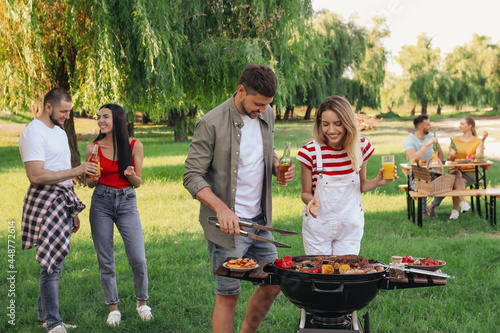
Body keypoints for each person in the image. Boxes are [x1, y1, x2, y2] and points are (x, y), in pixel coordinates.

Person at [183, 64, 295, 333]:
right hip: (228, 226)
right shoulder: (211, 123)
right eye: (257, 104)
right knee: (228, 294)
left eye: (267, 105)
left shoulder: (266, 114)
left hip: (259, 222)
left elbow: (266, 154)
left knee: (273, 283)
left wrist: (276, 167)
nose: (261, 110)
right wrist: (221, 209)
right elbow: (191, 176)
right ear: (241, 90)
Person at [19, 87, 98, 333]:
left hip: (62, 200)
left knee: (55, 262)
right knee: (52, 265)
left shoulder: (60, 132)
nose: (67, 116)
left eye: (69, 111)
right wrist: (77, 171)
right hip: (46, 200)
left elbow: (60, 172)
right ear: (49, 107)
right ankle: (53, 323)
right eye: (63, 111)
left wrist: (72, 211)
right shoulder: (33, 133)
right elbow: (35, 175)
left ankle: (45, 317)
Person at [297, 95, 396, 256]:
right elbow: (305, 193)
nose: (331, 130)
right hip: (318, 226)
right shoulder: (309, 152)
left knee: (347, 275)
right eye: (325, 124)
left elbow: (360, 184)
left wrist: (377, 182)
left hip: (350, 225)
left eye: (338, 124)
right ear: (319, 123)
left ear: (348, 123)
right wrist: (311, 200)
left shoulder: (361, 146)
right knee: (322, 276)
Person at [85, 104, 152, 326]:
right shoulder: (92, 148)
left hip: (126, 202)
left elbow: (138, 183)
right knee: (106, 259)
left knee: (138, 258)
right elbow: (89, 183)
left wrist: (131, 174)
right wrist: (92, 177)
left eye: (105, 116)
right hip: (101, 203)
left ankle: (142, 303)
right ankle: (113, 308)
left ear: (117, 119)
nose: (100, 120)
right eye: (99, 117)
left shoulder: (135, 145)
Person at [403, 115, 445, 218]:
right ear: (421, 128)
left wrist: (440, 170)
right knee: (423, 182)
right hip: (414, 174)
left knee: (445, 182)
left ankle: (432, 206)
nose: (430, 126)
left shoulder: (430, 136)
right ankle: (423, 212)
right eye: (428, 124)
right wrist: (426, 145)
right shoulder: (409, 140)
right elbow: (412, 159)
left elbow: (441, 154)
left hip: (430, 172)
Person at [447, 116, 488, 220]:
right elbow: (449, 158)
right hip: (455, 169)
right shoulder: (455, 140)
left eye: (462, 124)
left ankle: (455, 210)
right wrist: (451, 155)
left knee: (458, 183)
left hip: (471, 170)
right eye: (459, 124)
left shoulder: (477, 140)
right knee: (456, 174)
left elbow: (480, 157)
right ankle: (463, 203)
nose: (459, 126)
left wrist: (482, 140)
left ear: (470, 126)